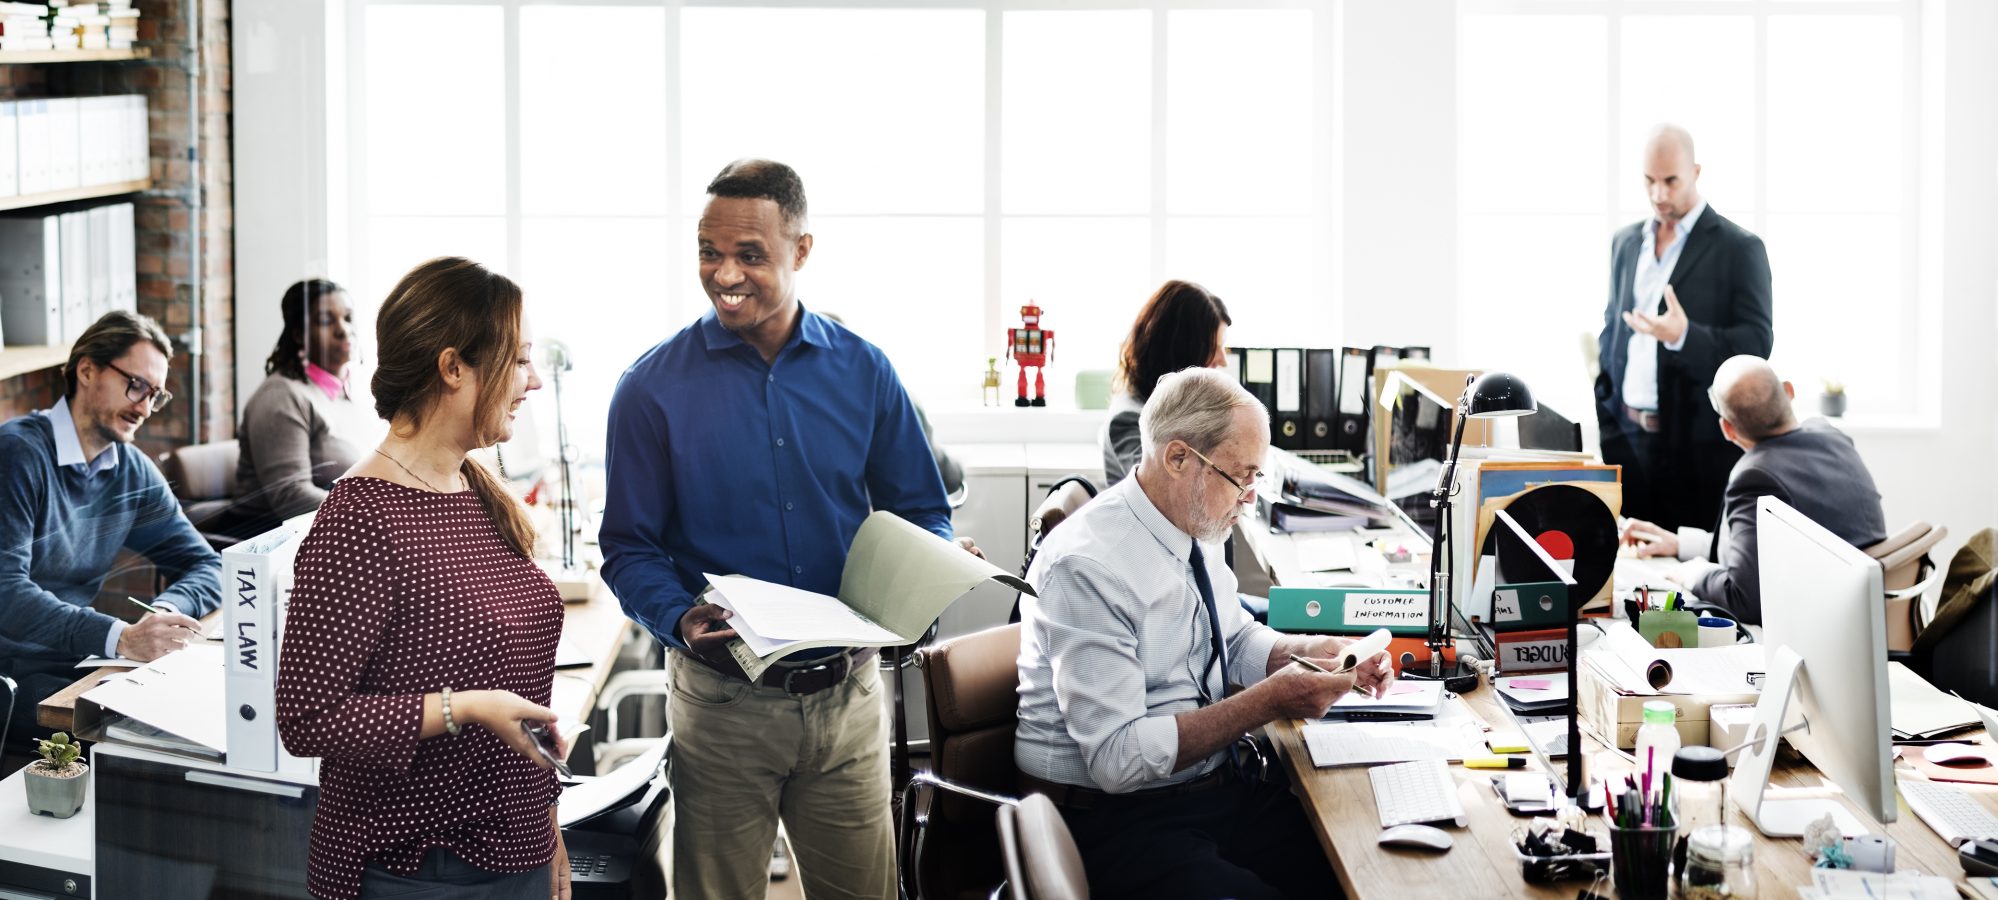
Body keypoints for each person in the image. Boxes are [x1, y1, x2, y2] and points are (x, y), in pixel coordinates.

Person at [600, 158, 977, 900]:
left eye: (750, 255)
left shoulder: (866, 371)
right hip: (723, 703)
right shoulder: (650, 390)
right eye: (709, 251)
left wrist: (926, 573)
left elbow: (920, 508)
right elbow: (628, 547)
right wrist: (676, 613)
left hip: (847, 703)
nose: (724, 273)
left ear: (801, 250)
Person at [1016, 366, 1393, 900]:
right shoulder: (1089, 565)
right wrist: (1271, 700)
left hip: (1210, 791)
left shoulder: (1190, 521)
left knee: (1360, 858)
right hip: (1118, 818)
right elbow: (1118, 760)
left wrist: (1306, 652)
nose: (1251, 498)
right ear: (1177, 459)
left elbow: (1235, 639)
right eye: (1244, 477)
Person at [275, 257, 571, 900]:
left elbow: (519, 685)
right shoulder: (360, 517)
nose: (534, 382)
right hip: (417, 867)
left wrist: (547, 825)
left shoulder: (470, 484)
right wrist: (467, 709)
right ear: (453, 367)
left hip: (514, 844)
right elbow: (306, 720)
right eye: (519, 361)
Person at [0, 311, 218, 742]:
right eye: (135, 385)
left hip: (75, 659)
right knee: (144, 738)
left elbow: (205, 565)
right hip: (11, 671)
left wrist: (163, 616)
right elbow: (6, 593)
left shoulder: (129, 470)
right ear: (86, 370)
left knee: (193, 716)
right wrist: (119, 637)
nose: (143, 407)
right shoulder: (18, 453)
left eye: (154, 395)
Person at [1595, 124, 1774, 531]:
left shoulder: (1739, 249)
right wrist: (1606, 411)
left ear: (1695, 172)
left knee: (1687, 579)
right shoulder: (1624, 243)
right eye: (1649, 181)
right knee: (1631, 575)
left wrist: (1684, 336)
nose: (1659, 194)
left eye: (1670, 181)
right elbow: (1613, 330)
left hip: (1696, 452)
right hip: (1626, 441)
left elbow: (1757, 344)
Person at [1620, 356, 1885, 626]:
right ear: (1789, 391)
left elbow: (1744, 598)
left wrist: (1694, 573)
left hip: (1814, 629)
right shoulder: (1832, 437)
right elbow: (1763, 553)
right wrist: (1680, 544)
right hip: (1861, 617)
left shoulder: (1755, 476)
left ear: (1728, 429)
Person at [228, 278, 370, 536]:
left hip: (336, 533)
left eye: (348, 318)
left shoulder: (348, 392)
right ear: (298, 335)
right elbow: (290, 496)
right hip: (274, 544)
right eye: (326, 321)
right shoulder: (281, 397)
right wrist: (371, 516)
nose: (343, 329)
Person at [1102, 280, 1232, 486]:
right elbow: (1168, 491)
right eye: (1213, 347)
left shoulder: (1175, 406)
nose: (1223, 360)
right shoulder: (1129, 419)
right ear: (1183, 349)